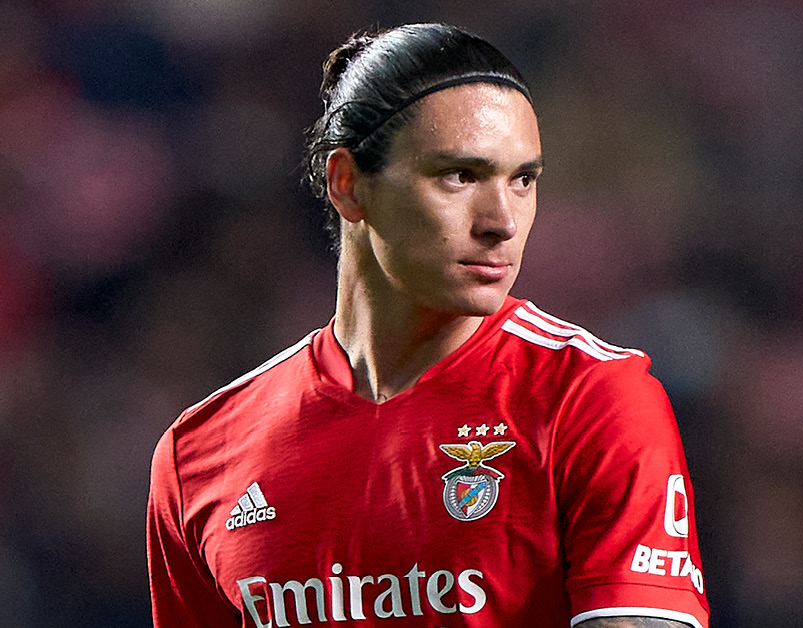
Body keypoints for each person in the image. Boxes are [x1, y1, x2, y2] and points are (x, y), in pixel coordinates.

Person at [146, 23, 708, 628]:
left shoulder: (589, 398)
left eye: (523, 180)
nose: (502, 222)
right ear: (348, 185)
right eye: (459, 176)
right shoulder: (200, 454)